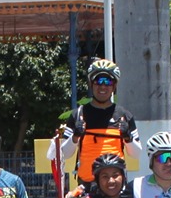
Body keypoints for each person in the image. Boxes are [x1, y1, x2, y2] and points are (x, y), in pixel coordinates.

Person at [54, 57, 138, 190]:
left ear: (114, 86)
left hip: (115, 188)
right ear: (91, 84)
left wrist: (128, 137)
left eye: (108, 81)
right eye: (98, 81)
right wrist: (75, 137)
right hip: (86, 186)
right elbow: (65, 153)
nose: (103, 86)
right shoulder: (78, 115)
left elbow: (137, 154)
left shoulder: (124, 116)